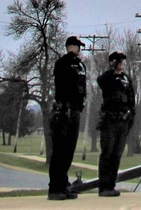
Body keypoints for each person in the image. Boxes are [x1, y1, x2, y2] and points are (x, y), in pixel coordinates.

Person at [48, 36, 87, 200]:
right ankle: (55, 188)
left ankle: (64, 185)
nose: (80, 50)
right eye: (78, 46)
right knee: (60, 150)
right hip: (64, 110)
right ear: (70, 46)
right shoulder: (62, 63)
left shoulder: (81, 65)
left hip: (76, 110)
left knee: (69, 150)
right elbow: (63, 85)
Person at [95, 52, 135, 198]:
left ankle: (111, 185)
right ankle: (103, 186)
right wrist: (112, 69)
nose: (122, 63)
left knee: (117, 154)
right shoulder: (107, 78)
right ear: (112, 62)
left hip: (123, 121)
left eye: (123, 60)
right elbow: (101, 81)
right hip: (109, 121)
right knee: (107, 153)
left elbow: (132, 100)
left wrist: (131, 118)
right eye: (119, 61)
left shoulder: (126, 79)